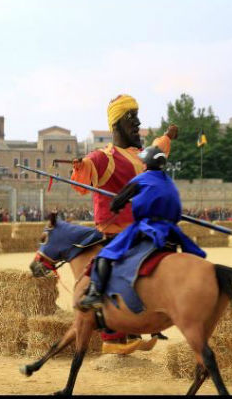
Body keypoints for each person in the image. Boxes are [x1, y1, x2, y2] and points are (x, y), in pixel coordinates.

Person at [71, 94, 175, 350]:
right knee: (110, 270)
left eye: (137, 116)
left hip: (142, 229)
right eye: (131, 117)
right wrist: (80, 166)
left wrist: (169, 136)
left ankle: (142, 323)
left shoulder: (140, 156)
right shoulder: (103, 157)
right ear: (116, 124)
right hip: (115, 231)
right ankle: (110, 333)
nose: (137, 122)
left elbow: (158, 149)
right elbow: (83, 179)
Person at [78, 146, 206, 310]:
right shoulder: (169, 182)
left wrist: (117, 205)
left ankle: (95, 295)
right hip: (171, 231)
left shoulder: (141, 179)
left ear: (145, 164)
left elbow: (116, 202)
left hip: (148, 228)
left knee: (105, 255)